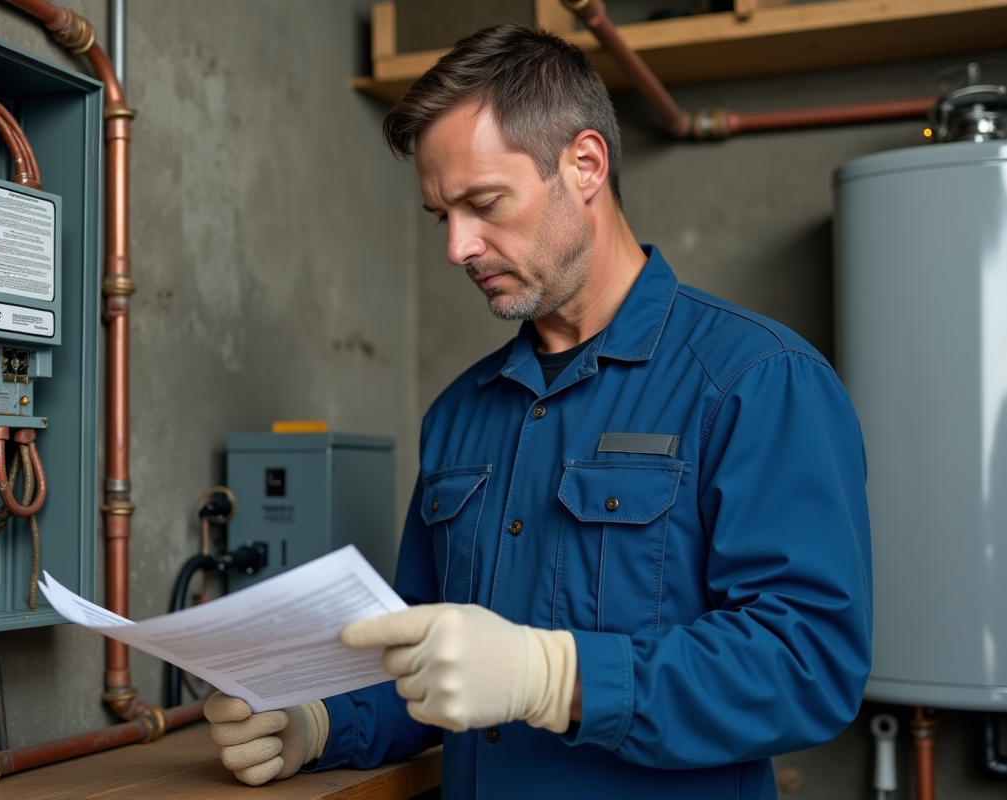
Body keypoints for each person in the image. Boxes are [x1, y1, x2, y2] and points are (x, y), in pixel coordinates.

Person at [203, 22, 871, 799]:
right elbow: (423, 655)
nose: (458, 247)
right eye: (441, 216)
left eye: (484, 203)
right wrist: (316, 723)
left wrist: (556, 677)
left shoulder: (758, 381)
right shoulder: (460, 413)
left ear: (584, 164)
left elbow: (807, 664)